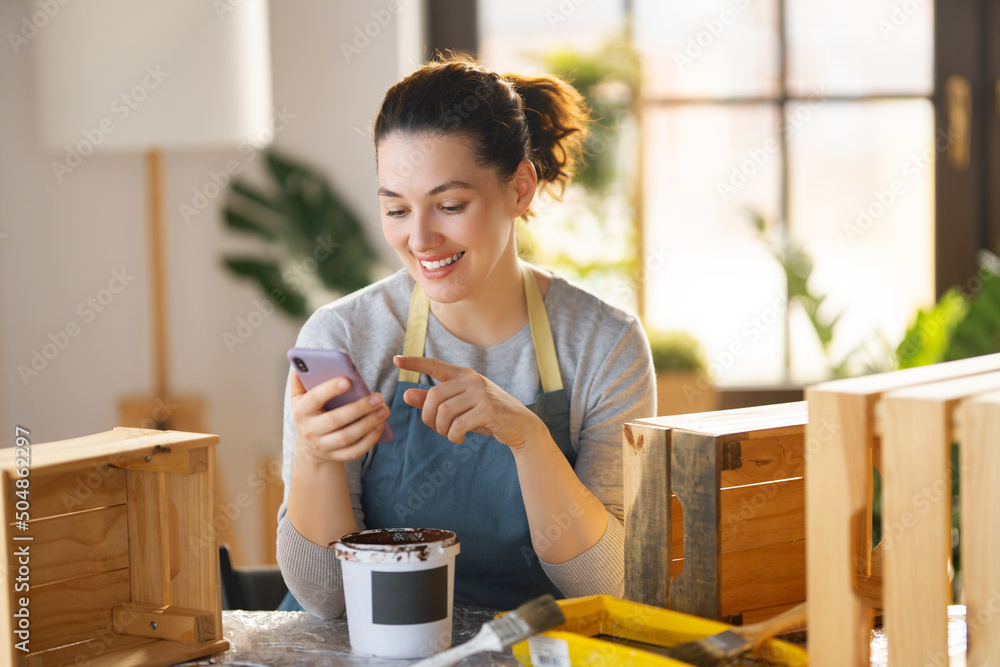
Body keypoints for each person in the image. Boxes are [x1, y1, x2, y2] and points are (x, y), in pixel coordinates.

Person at [276, 53, 655, 618]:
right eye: (397, 209)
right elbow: (325, 598)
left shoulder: (605, 346)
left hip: (528, 646)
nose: (421, 238)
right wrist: (313, 456)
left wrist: (527, 438)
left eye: (450, 205)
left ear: (520, 188)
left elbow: (606, 586)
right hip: (373, 647)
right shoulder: (345, 337)